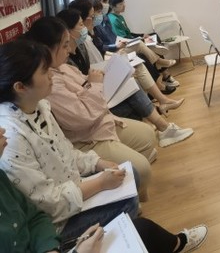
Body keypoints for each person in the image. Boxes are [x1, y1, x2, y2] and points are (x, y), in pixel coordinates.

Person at [0, 41, 208, 252]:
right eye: (44, 72)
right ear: (20, 87)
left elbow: (66, 151)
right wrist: (99, 184)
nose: (51, 75)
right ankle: (143, 237)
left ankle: (131, 233)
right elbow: (48, 204)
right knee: (131, 206)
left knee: (131, 175)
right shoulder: (12, 136)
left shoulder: (39, 106)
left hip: (73, 184)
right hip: (60, 220)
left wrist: (97, 163)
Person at [25, 17, 157, 200]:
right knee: (141, 169)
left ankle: (131, 190)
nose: (69, 49)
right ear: (46, 49)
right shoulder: (48, 83)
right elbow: (82, 116)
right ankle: (131, 196)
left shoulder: (63, 67)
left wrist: (92, 83)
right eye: (65, 45)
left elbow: (85, 87)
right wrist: (94, 85)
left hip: (101, 120)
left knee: (148, 135)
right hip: (87, 137)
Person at [65, 3, 184, 113]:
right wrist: (115, 53)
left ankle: (162, 90)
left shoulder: (94, 31)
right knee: (136, 62)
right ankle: (160, 92)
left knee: (142, 54)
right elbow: (98, 59)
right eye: (93, 15)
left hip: (107, 61)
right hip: (102, 72)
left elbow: (106, 48)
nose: (97, 16)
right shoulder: (86, 39)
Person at [90, 0, 179, 93]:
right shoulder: (109, 19)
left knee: (153, 37)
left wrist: (141, 35)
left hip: (121, 44)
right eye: (121, 3)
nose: (124, 5)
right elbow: (118, 39)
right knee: (143, 49)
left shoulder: (107, 19)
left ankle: (164, 72)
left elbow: (125, 34)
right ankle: (163, 71)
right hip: (117, 48)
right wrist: (137, 39)